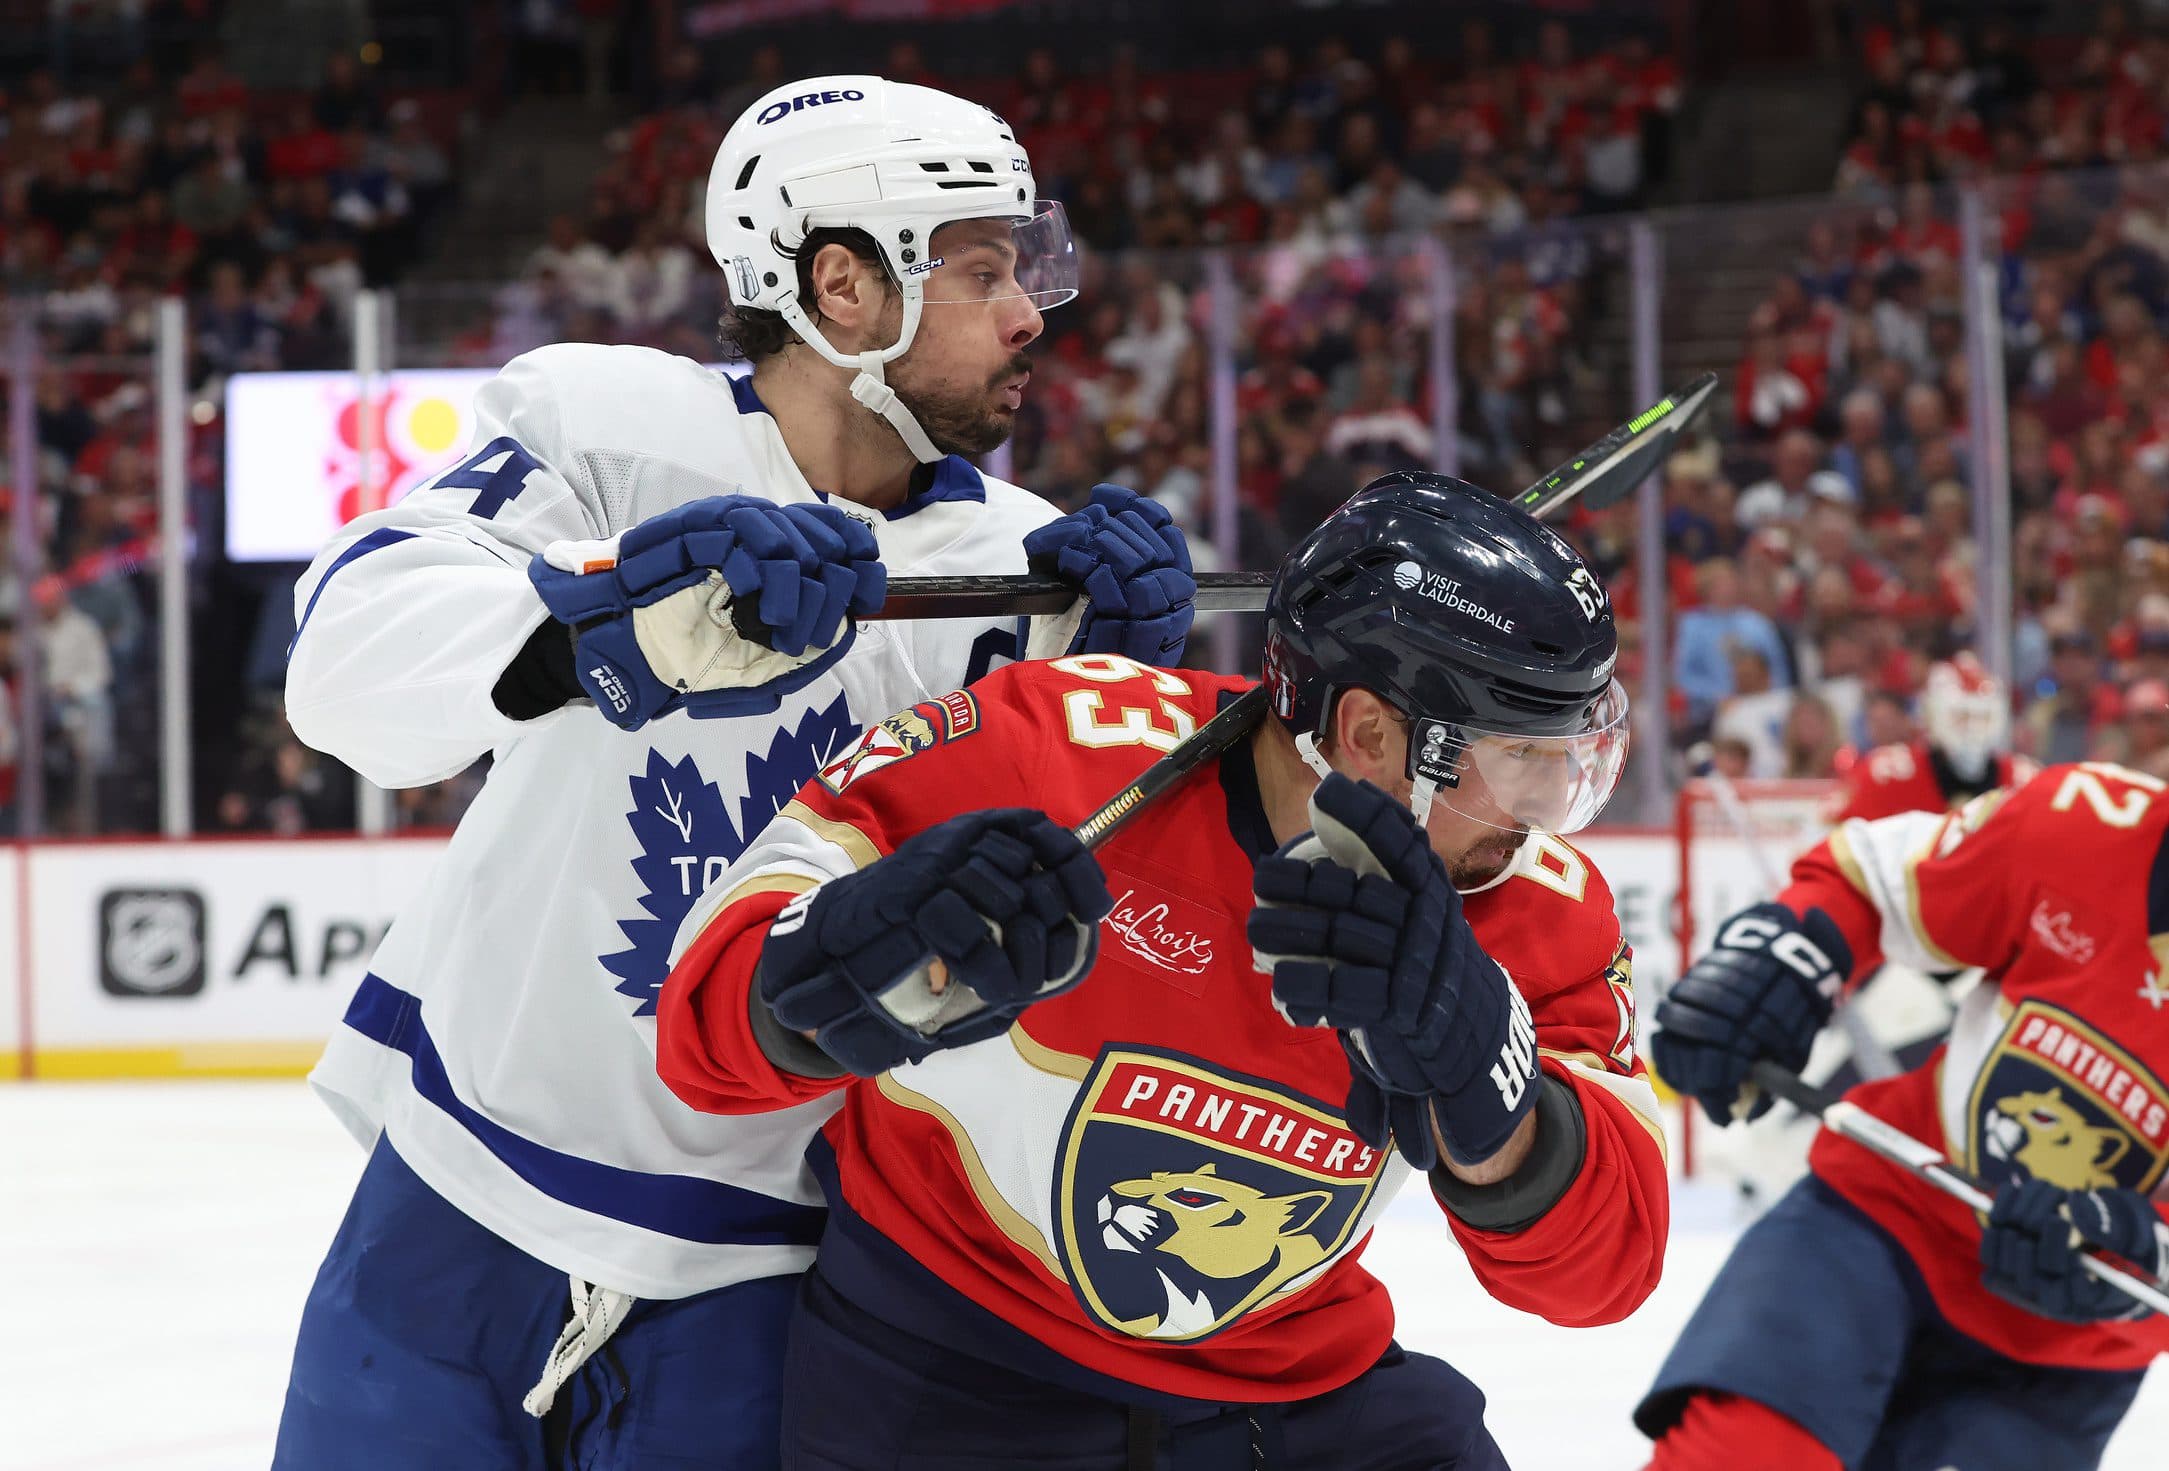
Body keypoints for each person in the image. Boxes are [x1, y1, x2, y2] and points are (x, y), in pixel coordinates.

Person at [274, 74, 1195, 1470]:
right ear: (843, 285)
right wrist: (608, 621)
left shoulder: (1023, 567)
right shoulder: (609, 427)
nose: (1032, 313)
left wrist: (1122, 713)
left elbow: (1050, 966)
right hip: (455, 1209)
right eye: (984, 269)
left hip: (769, 1280)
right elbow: (349, 661)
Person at [655, 473, 1669, 1467]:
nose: (1543, 815)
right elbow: (702, 1035)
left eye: (1576, 765)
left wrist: (1495, 1097)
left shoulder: (1542, 911)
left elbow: (1605, 1278)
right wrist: (844, 957)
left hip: (1291, 1397)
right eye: (1519, 760)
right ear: (1366, 732)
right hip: (951, 1371)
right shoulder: (1040, 749)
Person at [1639, 761, 2169, 1470]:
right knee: (1744, 1453)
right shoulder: (2084, 817)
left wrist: (2137, 1244)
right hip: (1880, 1215)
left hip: (2069, 1344)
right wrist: (1785, 953)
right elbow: (1873, 876)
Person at [1827, 652, 2034, 822]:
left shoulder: (2024, 781)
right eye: (1961, 717)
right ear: (1933, 715)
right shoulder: (1886, 773)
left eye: (1983, 717)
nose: (1973, 729)